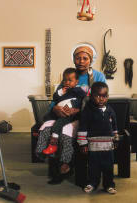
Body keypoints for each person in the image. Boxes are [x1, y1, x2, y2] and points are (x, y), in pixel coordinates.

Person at [36, 44, 106, 185]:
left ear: (90, 60)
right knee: (50, 128)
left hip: (86, 116)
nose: (81, 61)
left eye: (85, 58)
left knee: (65, 132)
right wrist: (55, 108)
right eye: (78, 58)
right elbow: (57, 99)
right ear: (73, 59)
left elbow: (101, 99)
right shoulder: (68, 76)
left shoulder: (97, 76)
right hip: (64, 115)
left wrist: (79, 111)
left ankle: (72, 169)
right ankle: (58, 169)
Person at [39, 68, 86, 174]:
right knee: (47, 122)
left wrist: (75, 110)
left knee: (61, 127)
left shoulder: (78, 90)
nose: (67, 82)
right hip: (60, 112)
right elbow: (55, 98)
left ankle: (54, 145)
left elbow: (84, 100)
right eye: (65, 80)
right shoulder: (63, 89)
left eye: (70, 80)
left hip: (72, 115)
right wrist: (61, 92)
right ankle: (46, 155)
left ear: (76, 82)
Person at [77, 82, 118, 194]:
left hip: (108, 146)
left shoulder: (110, 111)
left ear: (107, 97)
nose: (101, 99)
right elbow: (83, 128)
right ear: (91, 96)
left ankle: (109, 184)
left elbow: (114, 126)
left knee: (108, 167)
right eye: (97, 96)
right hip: (93, 146)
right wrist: (83, 144)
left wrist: (115, 138)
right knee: (93, 166)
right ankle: (92, 183)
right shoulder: (88, 111)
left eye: (104, 96)